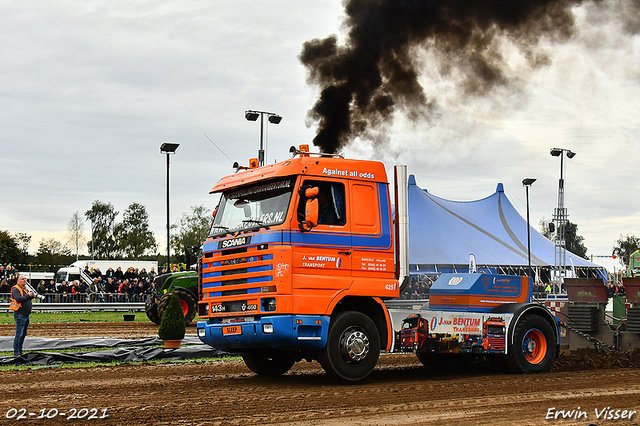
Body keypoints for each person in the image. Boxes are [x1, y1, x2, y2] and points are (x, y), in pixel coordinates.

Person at [10, 275, 35, 356]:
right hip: (20, 314)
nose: (25, 280)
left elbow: (25, 298)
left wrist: (30, 296)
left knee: (23, 334)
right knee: (19, 334)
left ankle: (20, 351)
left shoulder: (25, 289)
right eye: (22, 279)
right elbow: (18, 299)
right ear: (18, 280)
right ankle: (16, 352)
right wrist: (28, 296)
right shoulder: (16, 289)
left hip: (25, 314)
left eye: (25, 279)